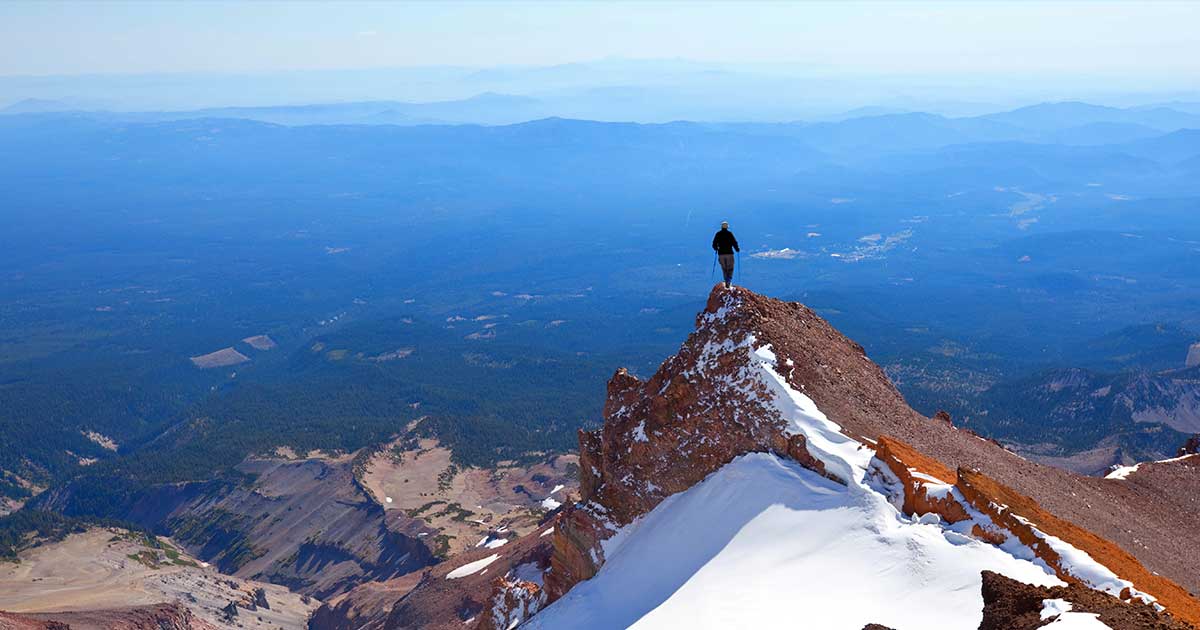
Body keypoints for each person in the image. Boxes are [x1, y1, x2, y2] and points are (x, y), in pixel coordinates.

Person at [711, 221, 740, 288]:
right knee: (730, 268)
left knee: (724, 268)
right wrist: (737, 249)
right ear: (727, 227)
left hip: (721, 254)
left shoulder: (718, 234)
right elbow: (734, 242)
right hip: (729, 253)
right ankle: (728, 280)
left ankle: (726, 280)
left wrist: (716, 248)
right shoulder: (730, 234)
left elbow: (714, 244)